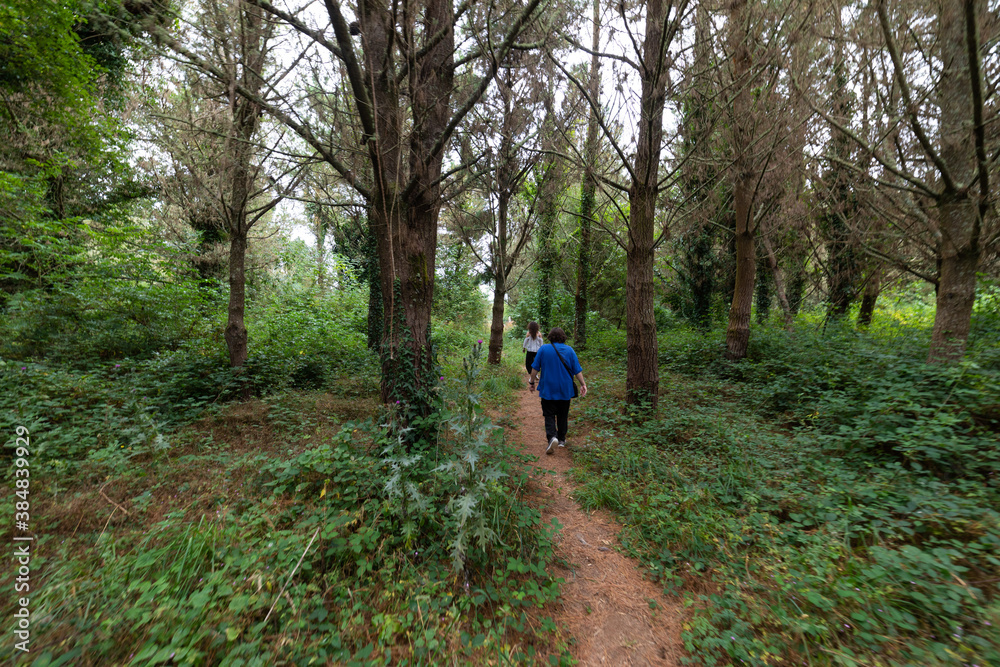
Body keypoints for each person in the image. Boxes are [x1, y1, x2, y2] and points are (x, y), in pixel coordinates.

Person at [528, 327, 588, 455]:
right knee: (563, 414)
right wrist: (583, 384)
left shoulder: (544, 349)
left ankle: (552, 437)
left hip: (548, 388)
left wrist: (532, 382)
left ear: (550, 337)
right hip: (565, 389)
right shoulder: (570, 350)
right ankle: (561, 439)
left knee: (549, 414)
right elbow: (577, 370)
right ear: (563, 337)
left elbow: (535, 368)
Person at [522, 321, 543, 388]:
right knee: (536, 363)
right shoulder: (539, 334)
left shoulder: (529, 333)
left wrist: (524, 348)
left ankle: (532, 375)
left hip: (530, 351)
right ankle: (534, 375)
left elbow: (525, 341)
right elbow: (541, 341)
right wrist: (541, 349)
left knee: (528, 364)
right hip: (537, 351)